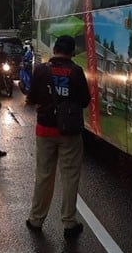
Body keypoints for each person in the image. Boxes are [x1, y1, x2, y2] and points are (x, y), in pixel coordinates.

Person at [24, 35, 90, 238]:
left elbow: (31, 97)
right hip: (69, 132)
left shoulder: (41, 70)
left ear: (54, 50)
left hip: (45, 130)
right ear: (72, 52)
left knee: (44, 175)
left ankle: (36, 219)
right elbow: (85, 101)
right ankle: (69, 222)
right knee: (70, 176)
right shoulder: (76, 71)